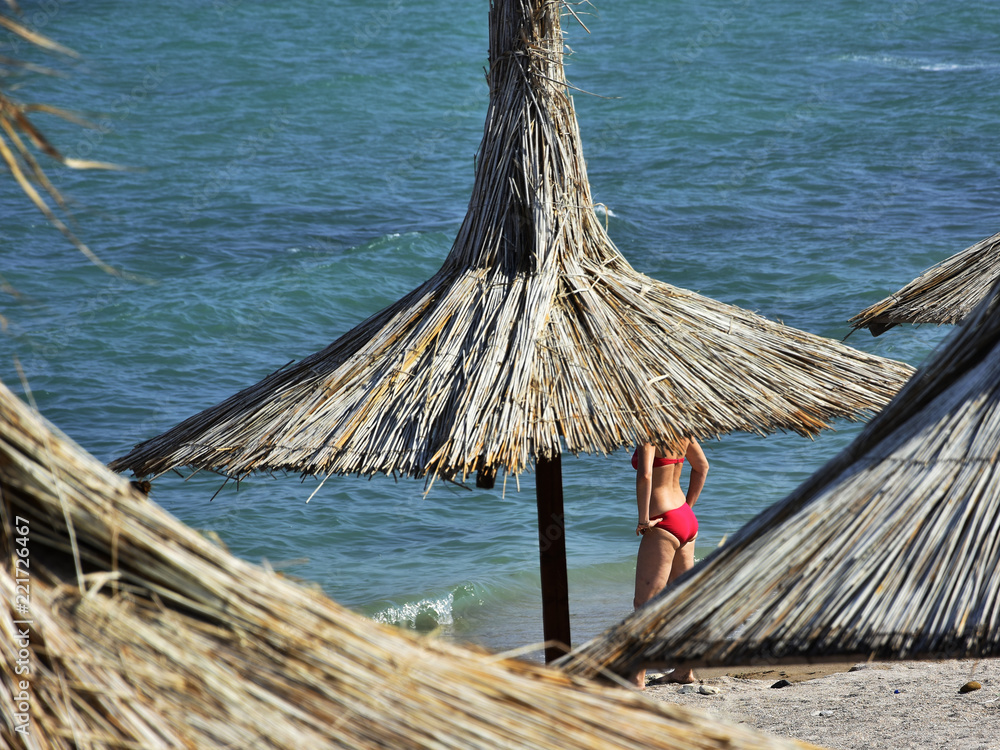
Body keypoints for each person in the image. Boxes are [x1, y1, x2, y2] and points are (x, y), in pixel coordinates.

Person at [631, 437, 708, 689]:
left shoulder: (648, 435)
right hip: (685, 517)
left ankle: (636, 679)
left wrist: (644, 520)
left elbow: (645, 476)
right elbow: (702, 466)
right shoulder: (683, 430)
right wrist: (687, 507)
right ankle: (684, 670)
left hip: (663, 522)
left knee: (644, 604)